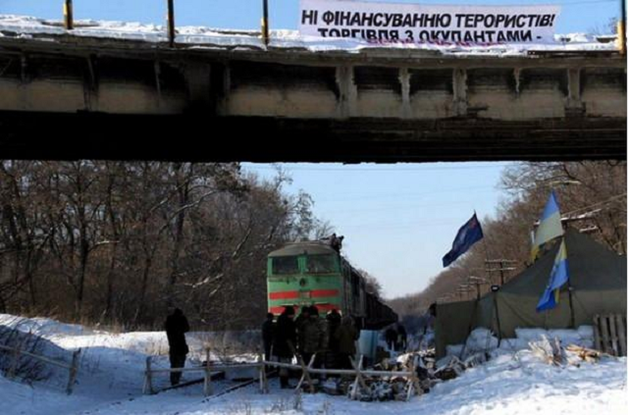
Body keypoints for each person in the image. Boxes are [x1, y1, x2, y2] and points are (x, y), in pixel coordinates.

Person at [164, 308, 190, 386]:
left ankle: (174, 381)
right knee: (179, 364)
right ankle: (175, 380)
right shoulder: (179, 321)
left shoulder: (169, 321)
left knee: (174, 364)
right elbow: (186, 328)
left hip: (173, 347)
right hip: (179, 347)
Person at [273, 306, 297, 388]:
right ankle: (284, 383)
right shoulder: (287, 322)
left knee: (283, 365)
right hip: (286, 347)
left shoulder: (280, 320)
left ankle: (284, 382)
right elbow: (289, 335)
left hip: (281, 347)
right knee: (285, 365)